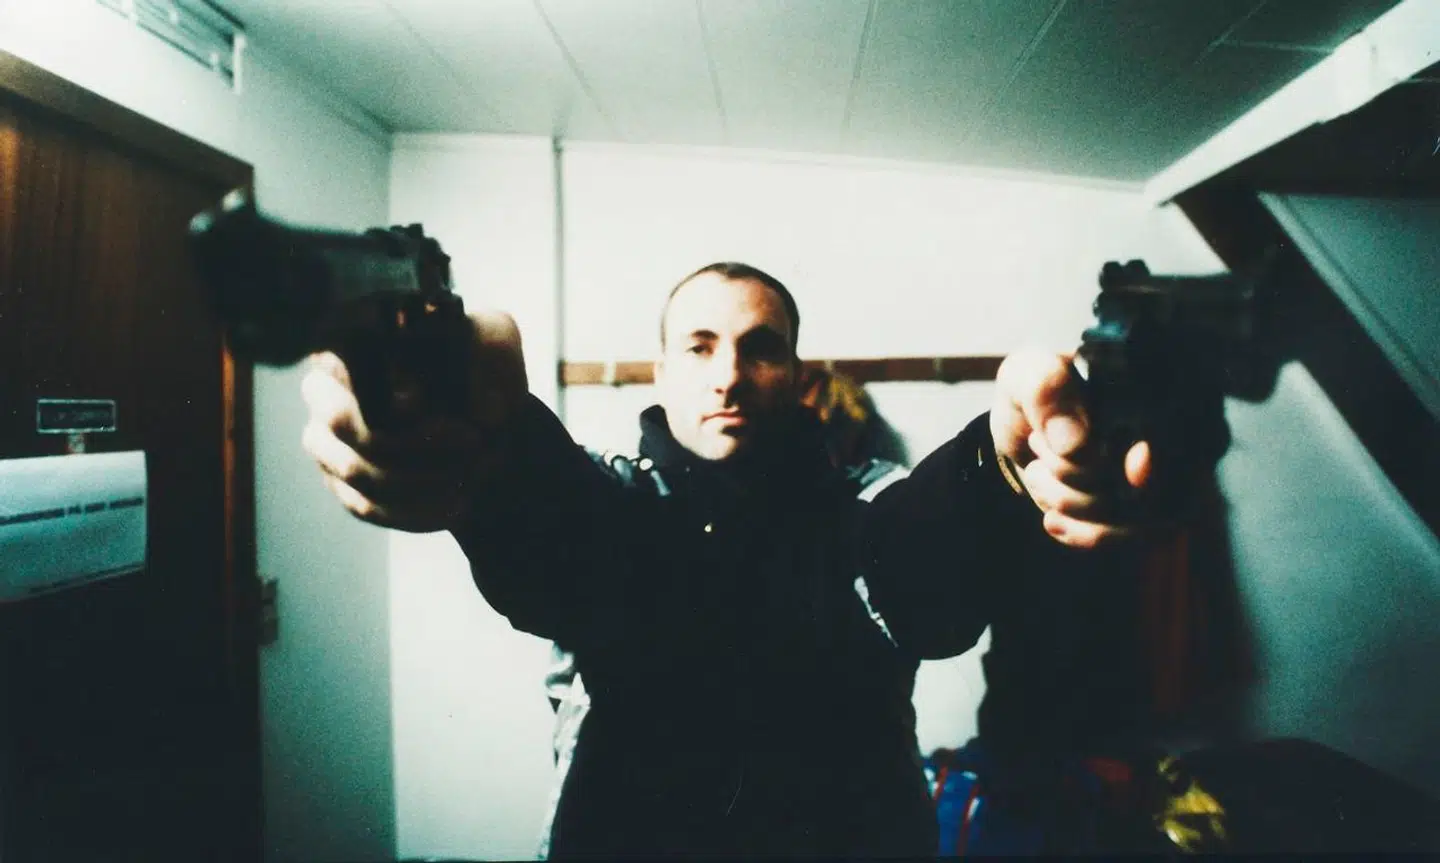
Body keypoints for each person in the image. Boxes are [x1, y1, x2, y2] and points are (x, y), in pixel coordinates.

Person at [300, 261, 1157, 857]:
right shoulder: (613, 498)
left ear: (798, 374)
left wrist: (1000, 471)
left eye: (761, 347)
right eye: (700, 345)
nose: (729, 375)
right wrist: (490, 459)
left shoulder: (867, 499)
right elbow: (564, 543)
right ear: (661, 370)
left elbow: (912, 569)